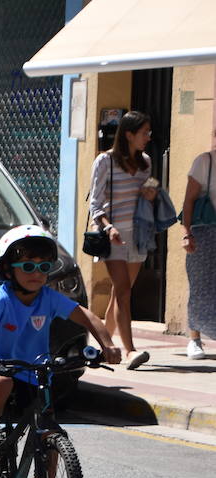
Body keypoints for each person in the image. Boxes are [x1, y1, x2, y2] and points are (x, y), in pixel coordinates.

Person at [0, 226, 121, 478]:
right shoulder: (2, 298)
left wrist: (107, 344)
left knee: (51, 435)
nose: (36, 274)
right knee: (1, 384)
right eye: (27, 266)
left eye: (43, 267)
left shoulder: (49, 298)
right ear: (7, 270)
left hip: (35, 372)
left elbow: (87, 317)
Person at [88, 110, 157, 369]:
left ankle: (105, 346)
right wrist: (108, 228)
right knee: (124, 292)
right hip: (113, 236)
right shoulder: (104, 161)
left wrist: (151, 192)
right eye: (144, 133)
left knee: (120, 293)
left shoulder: (146, 162)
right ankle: (130, 351)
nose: (148, 138)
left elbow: (149, 187)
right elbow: (95, 204)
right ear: (128, 134)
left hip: (138, 235)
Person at [180, 126, 216, 360]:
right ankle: (194, 339)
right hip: (205, 232)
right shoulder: (206, 162)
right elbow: (189, 201)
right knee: (200, 285)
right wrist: (186, 232)